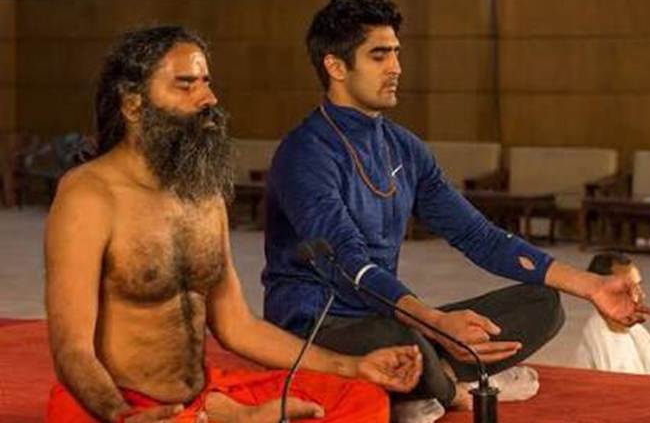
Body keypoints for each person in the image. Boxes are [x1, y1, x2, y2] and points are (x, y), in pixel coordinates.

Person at [262, 0, 650, 418]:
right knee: (405, 340)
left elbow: (478, 235)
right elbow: (348, 263)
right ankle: (443, 384)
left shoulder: (403, 147)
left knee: (542, 304)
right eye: (379, 55)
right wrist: (433, 322)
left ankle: (431, 378)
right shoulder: (305, 154)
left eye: (396, 52)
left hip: (392, 318)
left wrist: (591, 286)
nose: (396, 67)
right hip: (319, 328)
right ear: (336, 66)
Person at [45, 25, 422, 423]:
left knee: (362, 397)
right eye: (185, 85)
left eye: (206, 83)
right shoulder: (89, 196)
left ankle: (222, 414)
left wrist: (352, 366)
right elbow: (72, 349)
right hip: (118, 403)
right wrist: (121, 415)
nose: (208, 98)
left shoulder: (203, 192)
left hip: (202, 393)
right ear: (133, 106)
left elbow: (236, 325)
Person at [574, 252, 650, 374]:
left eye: (638, 285)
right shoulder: (600, 338)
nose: (642, 295)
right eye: (628, 288)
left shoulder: (634, 329)